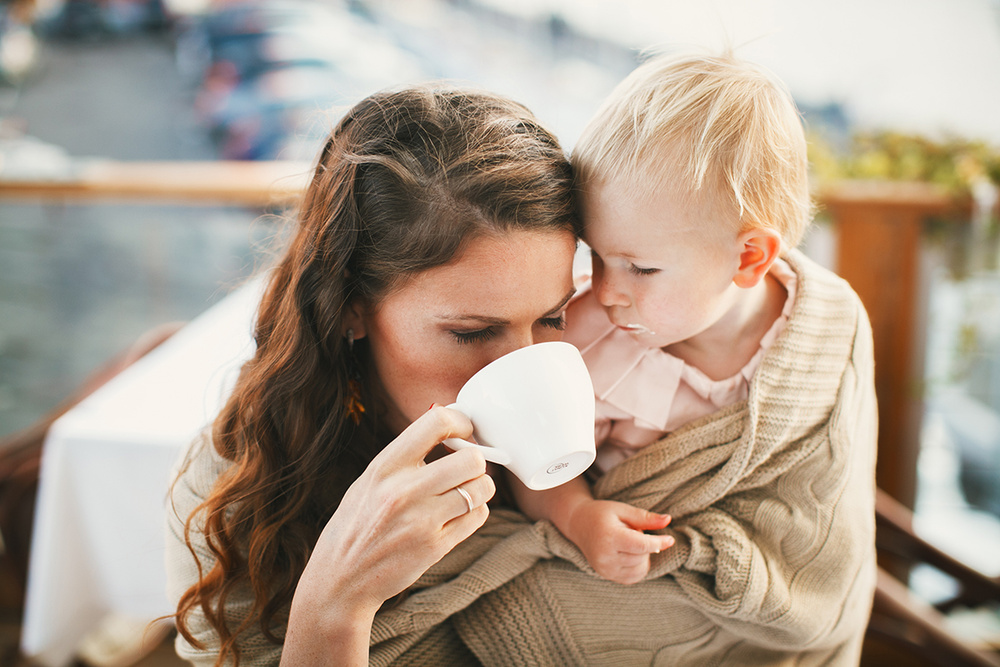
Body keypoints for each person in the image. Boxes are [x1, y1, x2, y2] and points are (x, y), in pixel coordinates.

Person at [361, 51, 878, 665]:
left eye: (641, 267)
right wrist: (580, 519)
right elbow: (544, 467)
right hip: (609, 567)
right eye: (597, 258)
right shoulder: (588, 335)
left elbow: (823, 507)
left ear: (748, 259)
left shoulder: (823, 332)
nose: (605, 292)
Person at [164, 83, 580, 665]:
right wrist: (337, 603)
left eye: (553, 317)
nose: (521, 363)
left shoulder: (627, 413)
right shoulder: (238, 487)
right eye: (471, 332)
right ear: (352, 306)